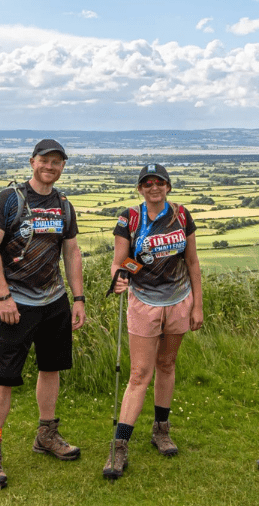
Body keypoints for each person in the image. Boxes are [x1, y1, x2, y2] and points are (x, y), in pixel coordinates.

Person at [0, 139, 87, 490]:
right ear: (32, 162)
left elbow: (71, 251)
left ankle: (46, 435)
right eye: (44, 160)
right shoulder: (9, 199)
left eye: (57, 162)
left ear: (62, 167)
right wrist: (2, 296)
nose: (50, 166)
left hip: (54, 301)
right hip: (16, 303)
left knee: (51, 368)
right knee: (4, 377)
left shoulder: (64, 205)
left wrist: (79, 297)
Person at [102, 163, 204, 479]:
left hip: (179, 300)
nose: (154, 187)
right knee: (139, 373)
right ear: (140, 189)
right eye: (147, 183)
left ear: (168, 186)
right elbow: (119, 263)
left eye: (159, 182)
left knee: (167, 365)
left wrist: (198, 305)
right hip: (144, 302)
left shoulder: (181, 215)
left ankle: (161, 430)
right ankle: (119, 447)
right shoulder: (129, 218)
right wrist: (119, 278)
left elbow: (192, 261)